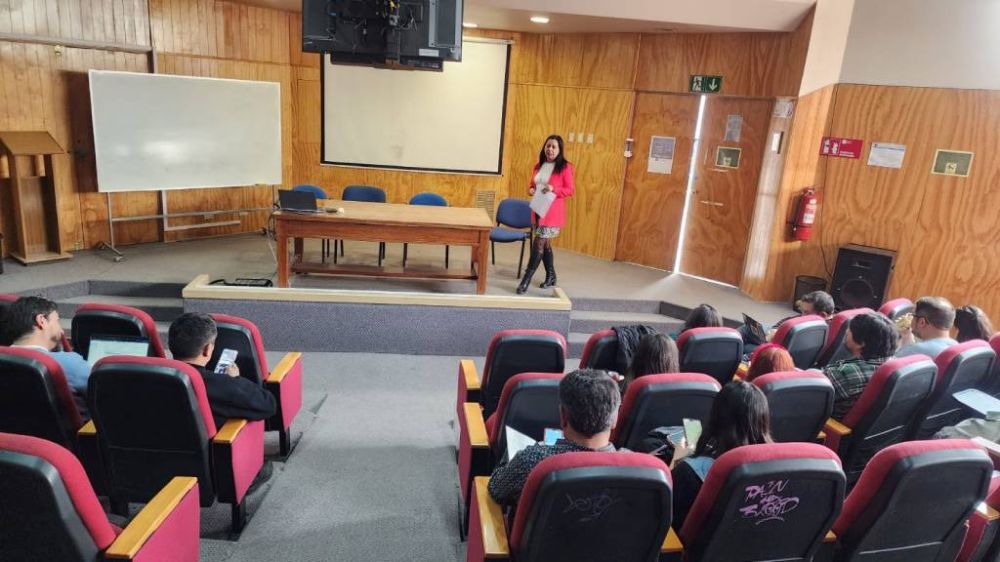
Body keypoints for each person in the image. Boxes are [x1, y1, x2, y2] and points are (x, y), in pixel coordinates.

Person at [488, 369, 620, 506]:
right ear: (615, 419)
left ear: (562, 416)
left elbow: (496, 490)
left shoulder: (532, 460)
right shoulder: (631, 465)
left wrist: (512, 456)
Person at [671, 381, 772, 531]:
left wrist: (676, 465)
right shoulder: (778, 470)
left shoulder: (689, 473)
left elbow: (666, 520)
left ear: (716, 418)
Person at [167, 312, 276, 429]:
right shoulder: (221, 385)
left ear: (170, 345)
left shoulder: (156, 378)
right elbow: (268, 404)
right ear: (207, 349)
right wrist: (235, 380)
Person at [6, 296, 92, 416]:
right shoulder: (69, 363)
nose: (62, 331)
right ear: (41, 320)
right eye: (57, 321)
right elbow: (103, 394)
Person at [517, 134, 575, 294]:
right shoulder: (539, 165)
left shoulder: (565, 167)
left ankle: (525, 280)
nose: (550, 149)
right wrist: (530, 189)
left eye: (554, 147)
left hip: (551, 215)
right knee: (546, 245)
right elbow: (532, 185)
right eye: (548, 146)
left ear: (559, 150)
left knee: (539, 244)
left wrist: (553, 188)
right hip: (537, 211)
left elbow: (570, 190)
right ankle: (551, 276)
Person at [824, 312, 899, 420]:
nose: (846, 332)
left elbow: (811, 394)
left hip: (827, 425)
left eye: (850, 330)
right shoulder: (894, 367)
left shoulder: (845, 373)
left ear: (861, 343)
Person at [738, 290, 835, 352]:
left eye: (806, 312)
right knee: (748, 328)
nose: (802, 316)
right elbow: (790, 320)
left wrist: (776, 337)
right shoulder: (820, 320)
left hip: (780, 350)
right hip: (775, 335)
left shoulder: (820, 331)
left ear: (823, 315)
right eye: (802, 311)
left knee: (746, 345)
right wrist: (775, 329)